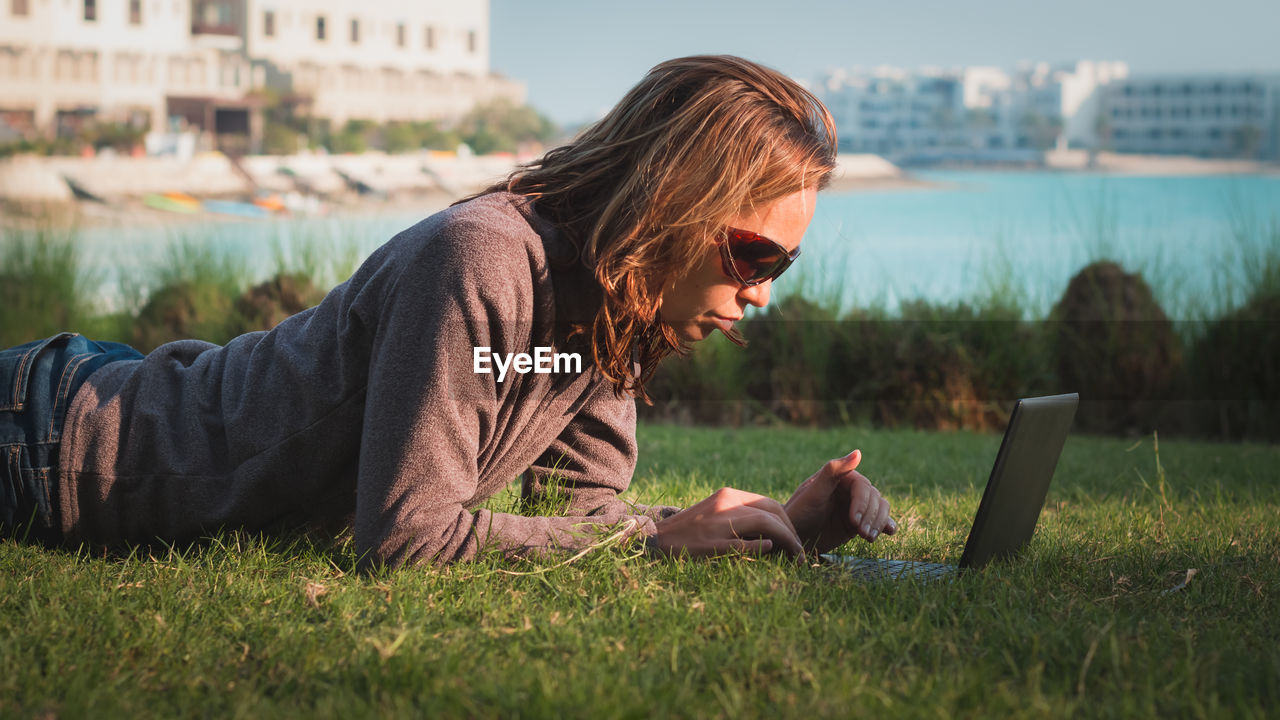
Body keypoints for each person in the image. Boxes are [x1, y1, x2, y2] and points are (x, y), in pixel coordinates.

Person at [0, 55, 896, 569]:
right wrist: (654, 546)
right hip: (56, 444)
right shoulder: (483, 259)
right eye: (753, 254)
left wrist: (764, 521)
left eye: (784, 262)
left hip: (108, 393)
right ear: (677, 207)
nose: (763, 292)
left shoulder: (610, 309)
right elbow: (409, 536)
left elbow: (576, 514)